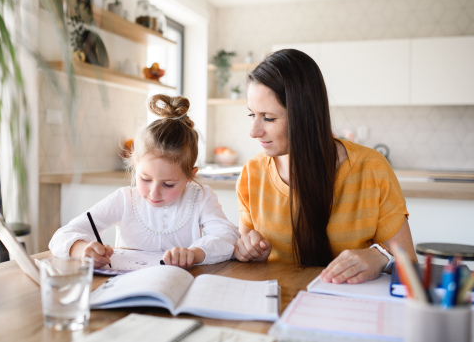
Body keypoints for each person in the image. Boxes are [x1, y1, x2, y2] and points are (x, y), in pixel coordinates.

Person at [233, 49, 417, 284]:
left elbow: (409, 263)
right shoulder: (252, 174)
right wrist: (248, 252)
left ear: (304, 115)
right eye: (251, 114)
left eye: (268, 118)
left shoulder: (371, 169)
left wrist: (380, 257)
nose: (253, 131)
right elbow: (246, 252)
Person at [49, 94, 240, 268]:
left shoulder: (200, 197)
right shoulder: (124, 200)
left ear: (190, 177)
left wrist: (194, 254)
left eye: (168, 184)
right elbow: (61, 237)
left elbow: (228, 237)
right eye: (145, 179)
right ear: (134, 165)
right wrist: (82, 250)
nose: (154, 192)